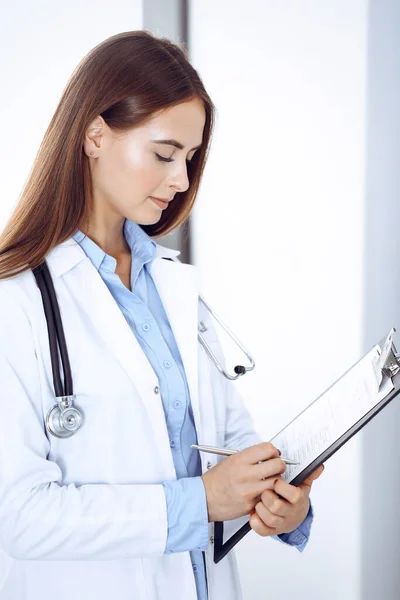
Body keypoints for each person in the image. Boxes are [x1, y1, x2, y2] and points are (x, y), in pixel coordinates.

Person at [0, 30, 323, 600]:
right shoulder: (17, 299)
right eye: (164, 154)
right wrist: (200, 501)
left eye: (190, 158)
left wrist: (278, 501)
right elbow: (20, 516)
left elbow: (228, 439)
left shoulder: (173, 286)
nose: (180, 181)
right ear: (95, 135)